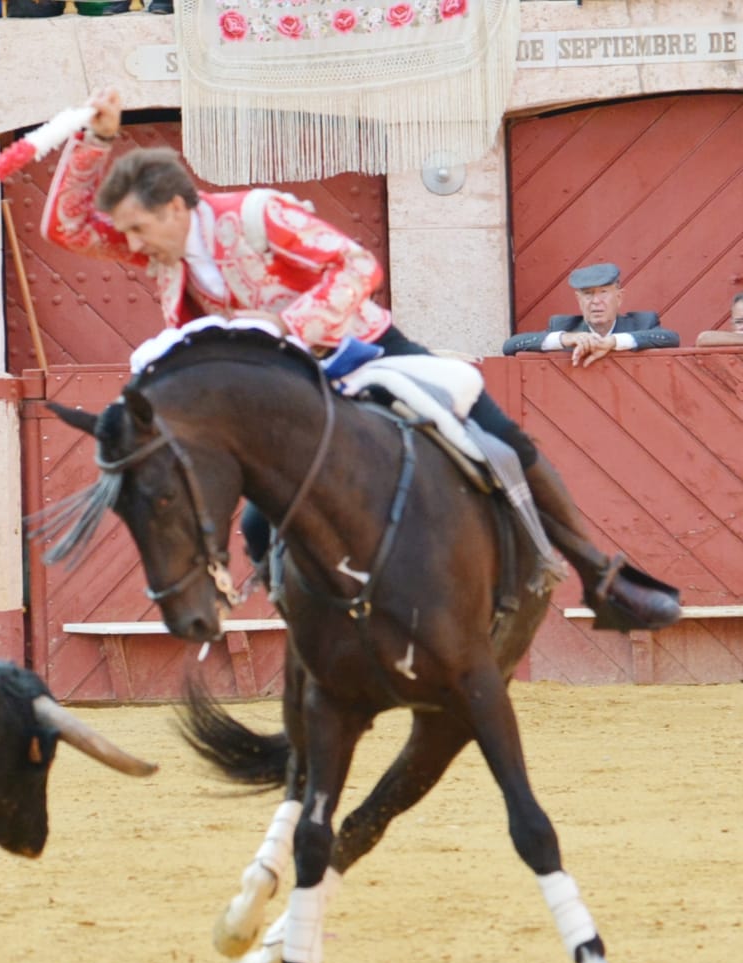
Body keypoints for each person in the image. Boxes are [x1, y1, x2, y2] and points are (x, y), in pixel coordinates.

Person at [40, 85, 680, 633]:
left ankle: (599, 572)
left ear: (175, 208)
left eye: (136, 229)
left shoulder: (256, 214)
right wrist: (94, 142)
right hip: (284, 391)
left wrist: (285, 324)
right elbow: (64, 230)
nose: (127, 244)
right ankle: (326, 641)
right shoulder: (163, 252)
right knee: (262, 526)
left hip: (362, 349)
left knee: (489, 427)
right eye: (125, 233)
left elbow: (356, 266)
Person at [501, 263, 679, 365]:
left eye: (603, 292)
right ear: (579, 300)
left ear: (619, 297)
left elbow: (670, 338)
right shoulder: (564, 327)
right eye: (588, 294)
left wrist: (612, 342)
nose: (595, 301)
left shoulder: (642, 322)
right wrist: (567, 339)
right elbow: (511, 346)